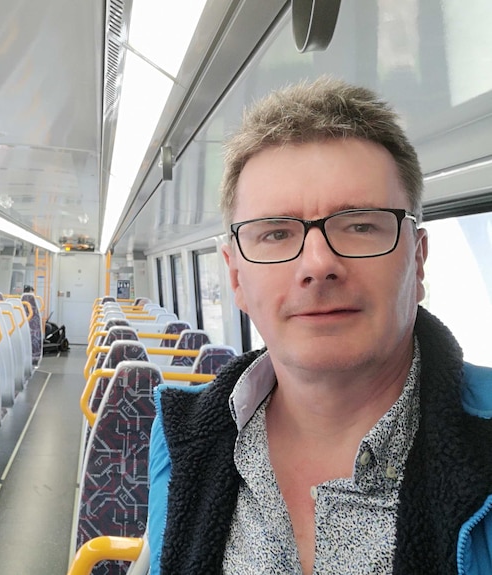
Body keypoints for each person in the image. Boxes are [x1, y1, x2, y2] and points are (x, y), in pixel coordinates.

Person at [147, 77, 492, 574]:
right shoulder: (178, 441)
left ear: (417, 262)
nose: (318, 264)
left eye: (359, 225)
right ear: (236, 277)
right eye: (275, 233)